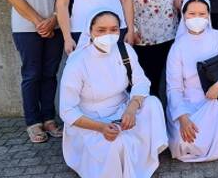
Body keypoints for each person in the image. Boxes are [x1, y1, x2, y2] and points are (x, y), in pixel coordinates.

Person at [59, 10, 168, 178]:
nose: (108, 35)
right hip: (91, 120)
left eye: (113, 29)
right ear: (90, 31)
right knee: (116, 143)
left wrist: (131, 108)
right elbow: (67, 111)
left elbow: (141, 82)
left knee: (153, 103)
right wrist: (101, 127)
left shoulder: (125, 51)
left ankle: (145, 156)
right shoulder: (77, 62)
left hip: (122, 110)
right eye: (101, 30)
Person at [0, 0, 65, 143]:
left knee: (50, 73)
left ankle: (49, 119)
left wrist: (55, 19)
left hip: (56, 25)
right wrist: (39, 22)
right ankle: (33, 122)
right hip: (27, 28)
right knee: (32, 74)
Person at [166, 0, 218, 162]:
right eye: (192, 14)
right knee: (186, 141)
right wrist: (182, 118)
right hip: (189, 104)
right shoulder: (178, 47)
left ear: (208, 15)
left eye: (202, 14)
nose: (197, 18)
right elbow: (174, 88)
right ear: (184, 15)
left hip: (215, 99)